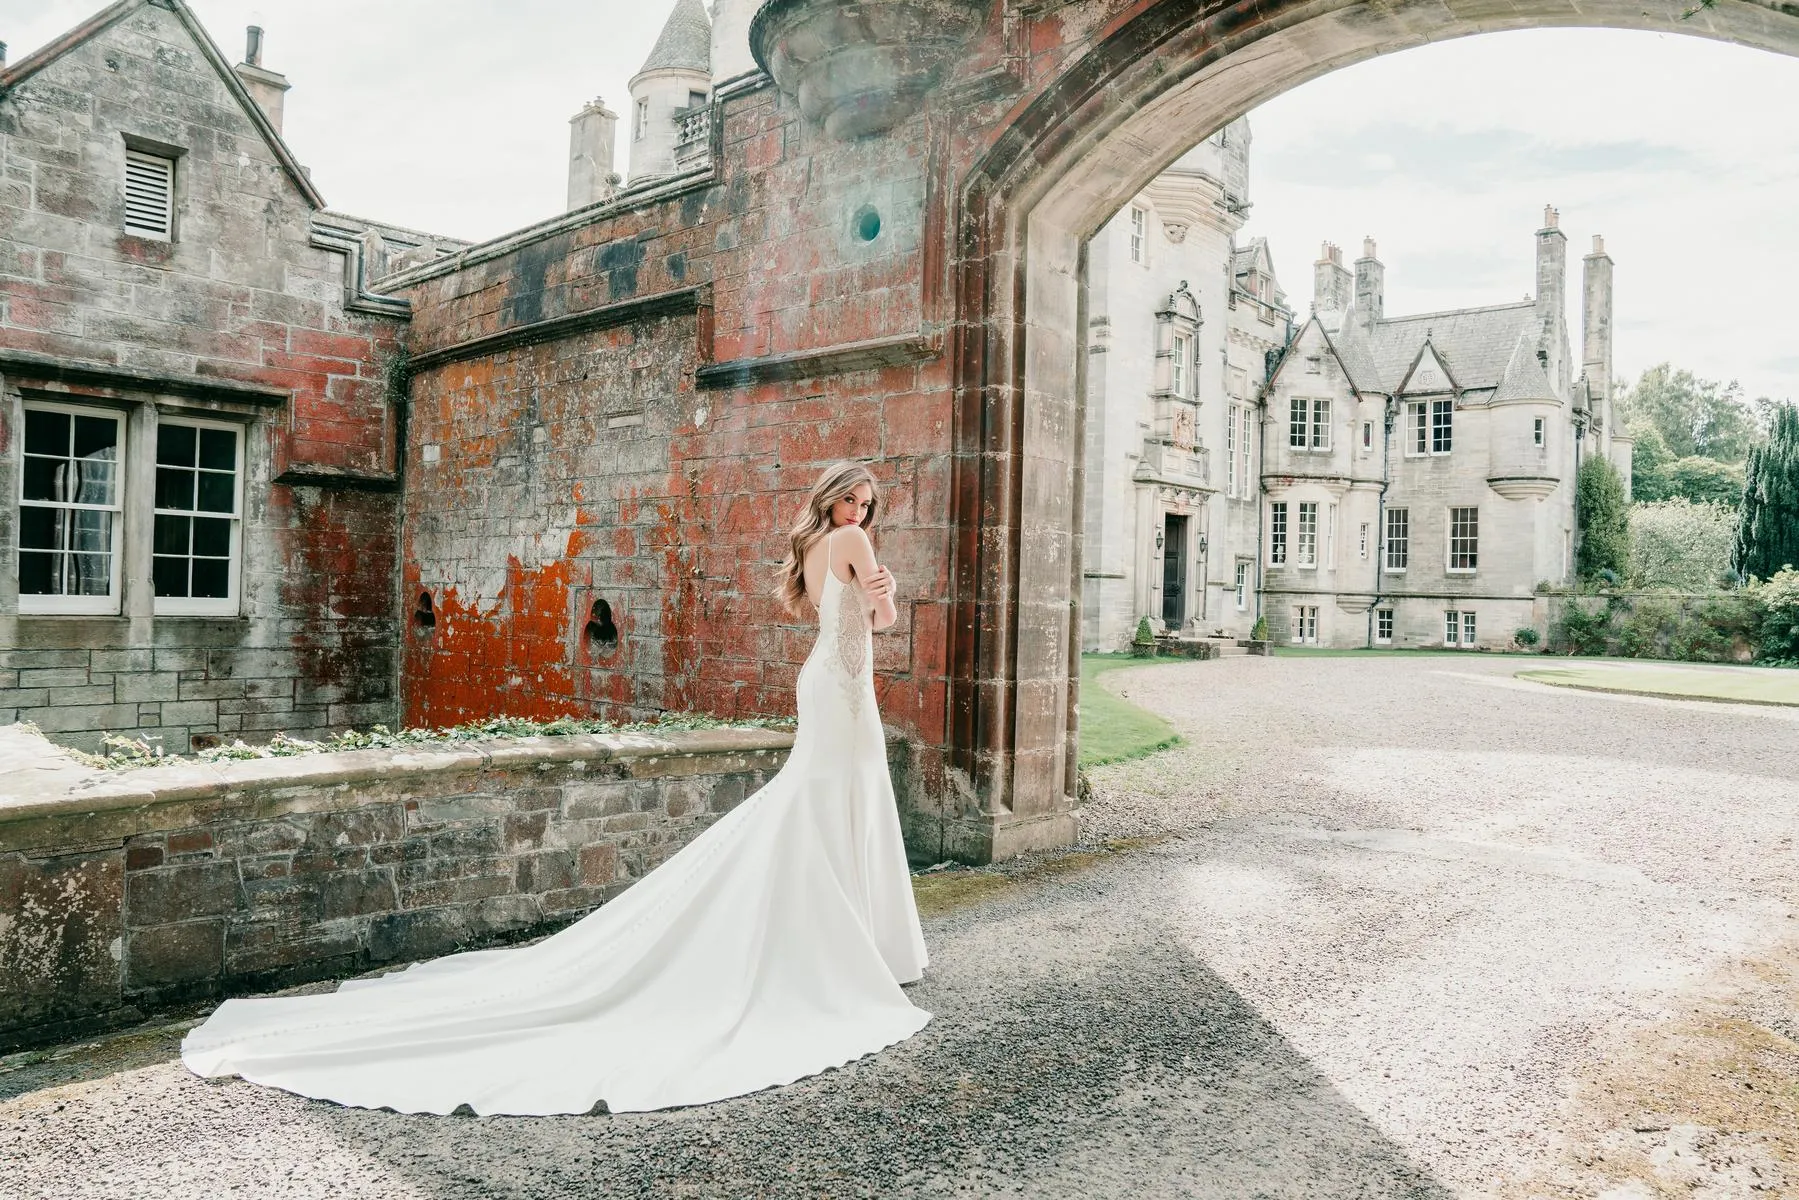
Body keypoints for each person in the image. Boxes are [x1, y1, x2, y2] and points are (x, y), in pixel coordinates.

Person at [181, 460, 930, 1115]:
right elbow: (881, 619)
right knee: (831, 800)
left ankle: (847, 939)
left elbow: (860, 618)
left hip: (835, 687)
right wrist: (885, 594)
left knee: (829, 801)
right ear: (830, 500)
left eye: (866, 505)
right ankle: (843, 948)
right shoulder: (854, 546)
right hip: (840, 692)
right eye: (850, 500)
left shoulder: (817, 547)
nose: (859, 513)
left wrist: (879, 599)